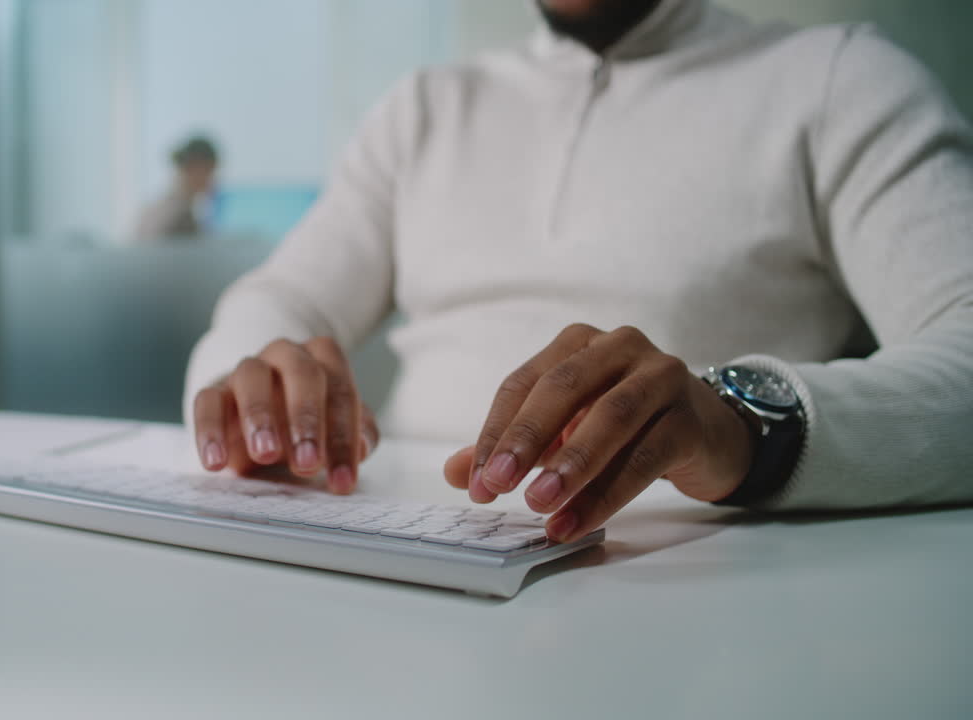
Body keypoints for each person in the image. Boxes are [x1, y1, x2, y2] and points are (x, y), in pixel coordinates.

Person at [183, 0, 973, 544]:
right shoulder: (423, 109)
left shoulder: (841, 81)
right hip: (392, 556)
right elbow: (277, 299)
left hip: (683, 588)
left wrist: (744, 427)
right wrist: (256, 394)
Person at [134, 135, 219, 241]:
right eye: (210, 171)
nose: (214, 180)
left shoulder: (174, 206)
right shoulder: (175, 214)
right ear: (194, 168)